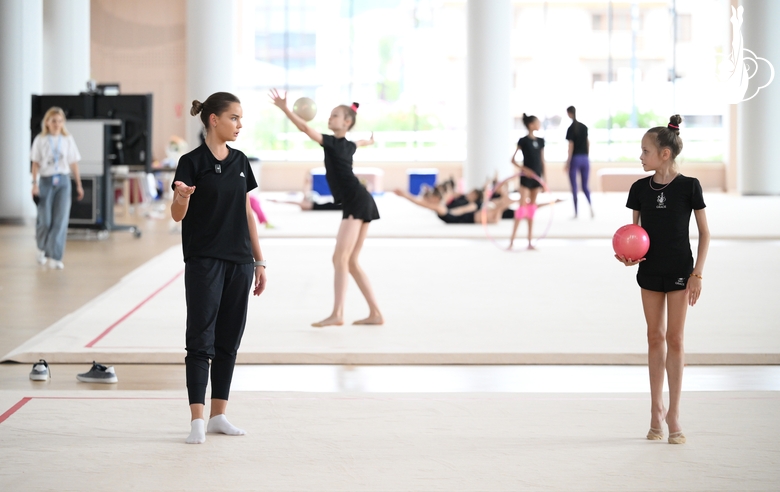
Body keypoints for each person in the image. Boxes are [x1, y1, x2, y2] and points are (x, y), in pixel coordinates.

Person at [171, 92, 267, 444]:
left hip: (240, 261)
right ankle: (197, 419)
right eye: (234, 118)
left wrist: (259, 260)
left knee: (229, 340)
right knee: (201, 340)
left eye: (241, 118)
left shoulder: (241, 161)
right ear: (214, 119)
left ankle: (218, 415)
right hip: (204, 260)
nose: (240, 125)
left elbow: (247, 212)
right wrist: (182, 196)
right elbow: (178, 214)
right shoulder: (190, 162)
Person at [615, 115, 710, 445]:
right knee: (654, 337)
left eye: (645, 151)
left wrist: (697, 274)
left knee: (676, 339)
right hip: (650, 272)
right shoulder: (639, 189)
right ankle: (656, 409)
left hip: (682, 271)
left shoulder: (689, 186)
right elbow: (635, 236)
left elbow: (705, 234)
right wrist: (630, 257)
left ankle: (674, 413)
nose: (640, 156)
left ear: (664, 154)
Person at [270, 89, 383, 327]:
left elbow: (305, 129)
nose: (330, 119)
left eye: (334, 116)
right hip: (360, 199)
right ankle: (375, 313)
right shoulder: (349, 145)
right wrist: (370, 140)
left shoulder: (332, 143)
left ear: (347, 122)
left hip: (356, 200)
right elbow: (361, 142)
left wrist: (285, 109)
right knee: (350, 260)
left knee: (340, 257)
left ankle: (338, 314)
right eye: (330, 116)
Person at [30, 107, 84, 269]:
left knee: (60, 220)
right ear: (47, 122)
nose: (57, 124)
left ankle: (55, 256)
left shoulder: (67, 140)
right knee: (45, 219)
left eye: (60, 121)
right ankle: (42, 247)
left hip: (63, 181)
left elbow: (73, 163)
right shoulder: (40, 140)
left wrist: (78, 184)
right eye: (54, 121)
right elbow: (35, 163)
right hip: (46, 180)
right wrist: (34, 184)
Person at [509, 113, 545, 250]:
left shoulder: (541, 141)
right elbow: (513, 160)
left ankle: (530, 241)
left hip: (537, 179)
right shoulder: (523, 141)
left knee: (531, 209)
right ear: (531, 125)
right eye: (537, 122)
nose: (539, 125)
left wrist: (543, 180)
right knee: (521, 207)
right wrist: (525, 170)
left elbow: (542, 161)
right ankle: (512, 240)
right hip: (525, 178)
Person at [565, 106, 593, 218]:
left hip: (575, 158)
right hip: (585, 159)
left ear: (569, 113)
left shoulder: (571, 128)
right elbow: (588, 143)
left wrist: (567, 162)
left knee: (574, 187)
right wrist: (586, 155)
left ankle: (576, 212)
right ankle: (591, 208)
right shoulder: (584, 127)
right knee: (585, 185)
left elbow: (570, 146)